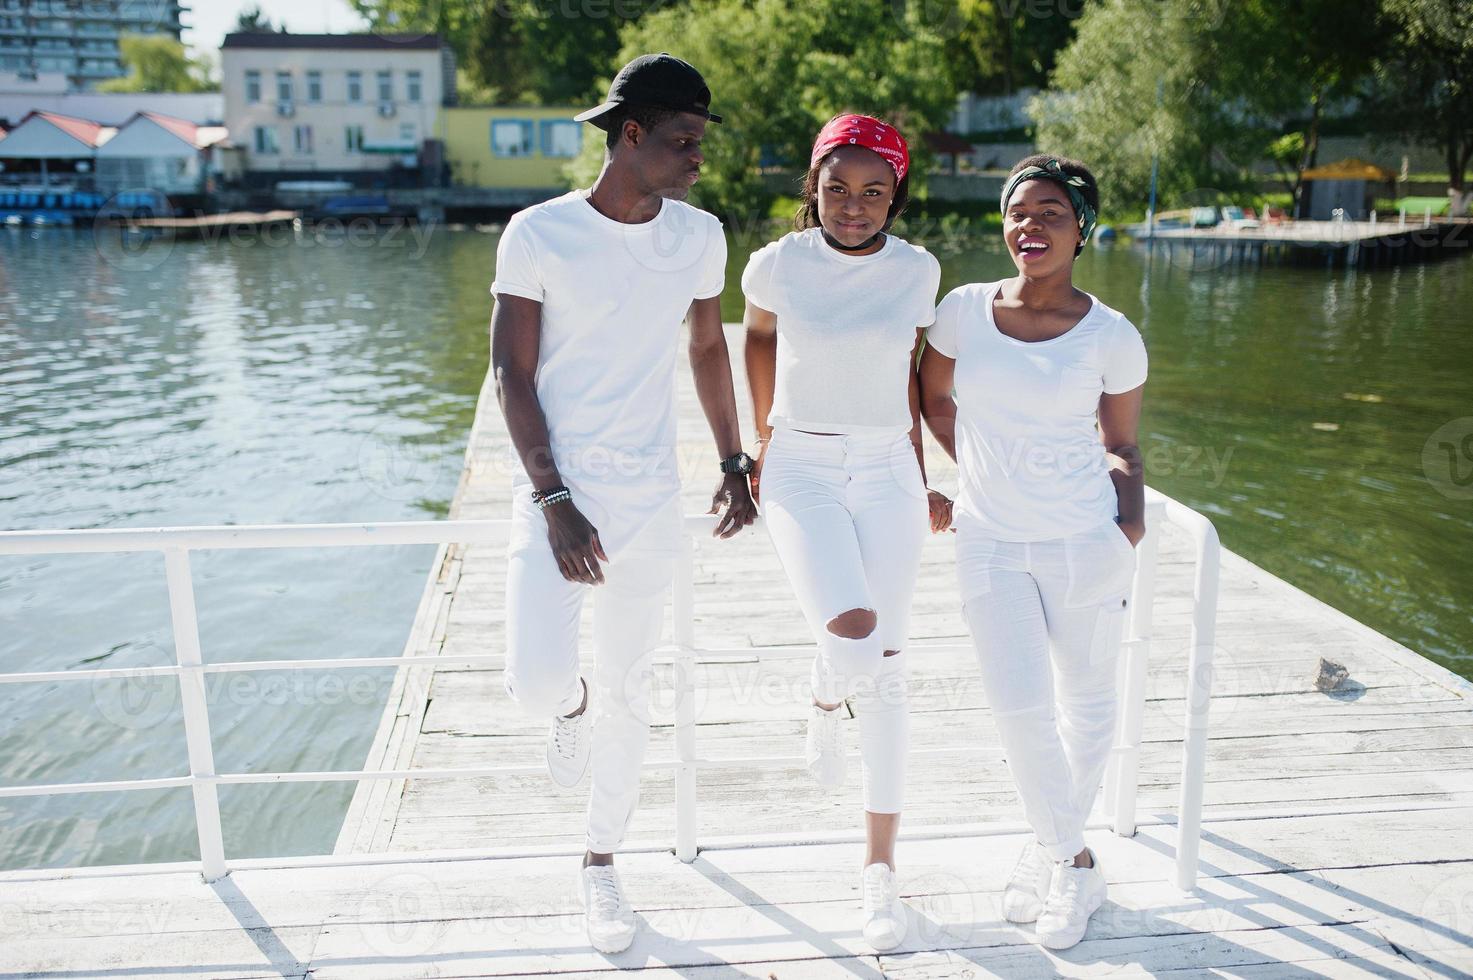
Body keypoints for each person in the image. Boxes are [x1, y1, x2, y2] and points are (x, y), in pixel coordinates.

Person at [488, 52, 757, 954]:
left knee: (636, 694)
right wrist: (552, 495)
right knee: (533, 681)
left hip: (649, 497)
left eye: (701, 144)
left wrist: (733, 459)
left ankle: (601, 863)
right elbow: (509, 372)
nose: (696, 159)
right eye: (683, 142)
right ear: (630, 134)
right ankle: (569, 712)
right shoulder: (537, 233)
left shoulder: (699, 236)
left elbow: (709, 351)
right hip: (555, 490)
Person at [918, 155, 1148, 950]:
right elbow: (930, 396)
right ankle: (1074, 859)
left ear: (1082, 228)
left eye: (1050, 212)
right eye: (1019, 212)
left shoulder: (1111, 335)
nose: (1030, 226)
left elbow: (1121, 446)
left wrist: (1129, 525)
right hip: (987, 539)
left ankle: (1048, 852)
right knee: (1019, 712)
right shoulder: (961, 310)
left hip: (1084, 541)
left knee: (1085, 708)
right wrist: (970, 470)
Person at [741, 113, 949, 952]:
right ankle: (826, 693)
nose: (853, 206)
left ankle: (879, 875)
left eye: (872, 191)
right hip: (801, 465)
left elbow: (907, 377)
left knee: (891, 667)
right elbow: (754, 340)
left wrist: (921, 476)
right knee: (856, 637)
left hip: (889, 469)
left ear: (895, 191)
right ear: (813, 188)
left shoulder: (918, 269)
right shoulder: (776, 262)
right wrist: (761, 443)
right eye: (837, 189)